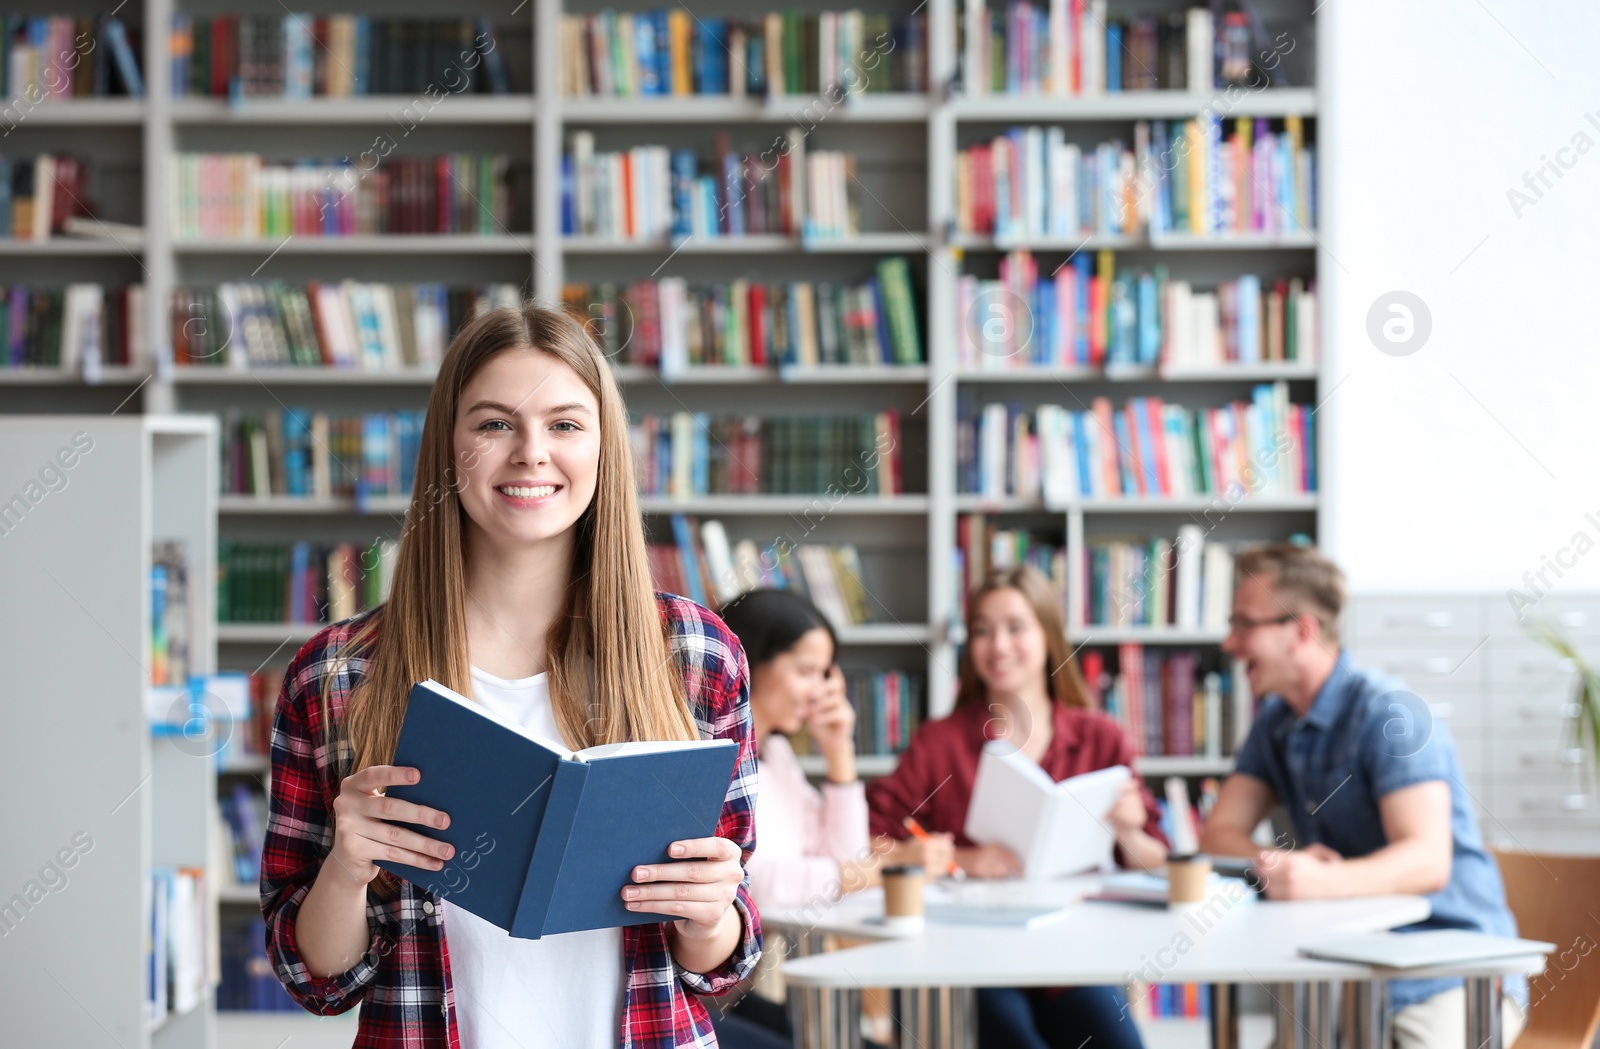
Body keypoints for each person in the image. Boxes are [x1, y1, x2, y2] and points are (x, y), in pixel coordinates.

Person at [259, 302, 761, 1048]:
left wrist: (712, 910)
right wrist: (346, 866)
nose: (531, 452)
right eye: (495, 423)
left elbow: (724, 965)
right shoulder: (335, 676)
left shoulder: (696, 654)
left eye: (564, 424)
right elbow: (316, 979)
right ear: (448, 447)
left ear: (602, 447)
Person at [1198, 542, 1526, 1049]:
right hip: (1347, 965)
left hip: (1451, 966)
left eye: (1244, 623)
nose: (1229, 641)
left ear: (1302, 630)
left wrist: (1320, 883)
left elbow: (1427, 861)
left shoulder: (1390, 715)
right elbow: (1218, 833)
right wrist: (1276, 865)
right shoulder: (1275, 725)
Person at [867, 564, 1166, 1049]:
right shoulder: (939, 743)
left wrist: (1129, 833)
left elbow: (1159, 866)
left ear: (1047, 636)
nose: (998, 645)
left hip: (1071, 958)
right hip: (969, 959)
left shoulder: (1099, 738)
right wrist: (961, 859)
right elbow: (874, 843)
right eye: (982, 631)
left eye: (1015, 627)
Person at [710, 587, 951, 1049]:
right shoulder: (713, 756)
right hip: (706, 996)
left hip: (742, 989)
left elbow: (842, 856)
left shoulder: (775, 754)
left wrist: (840, 751)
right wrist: (855, 875)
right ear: (748, 660)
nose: (819, 690)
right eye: (805, 671)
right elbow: (750, 886)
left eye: (824, 674)